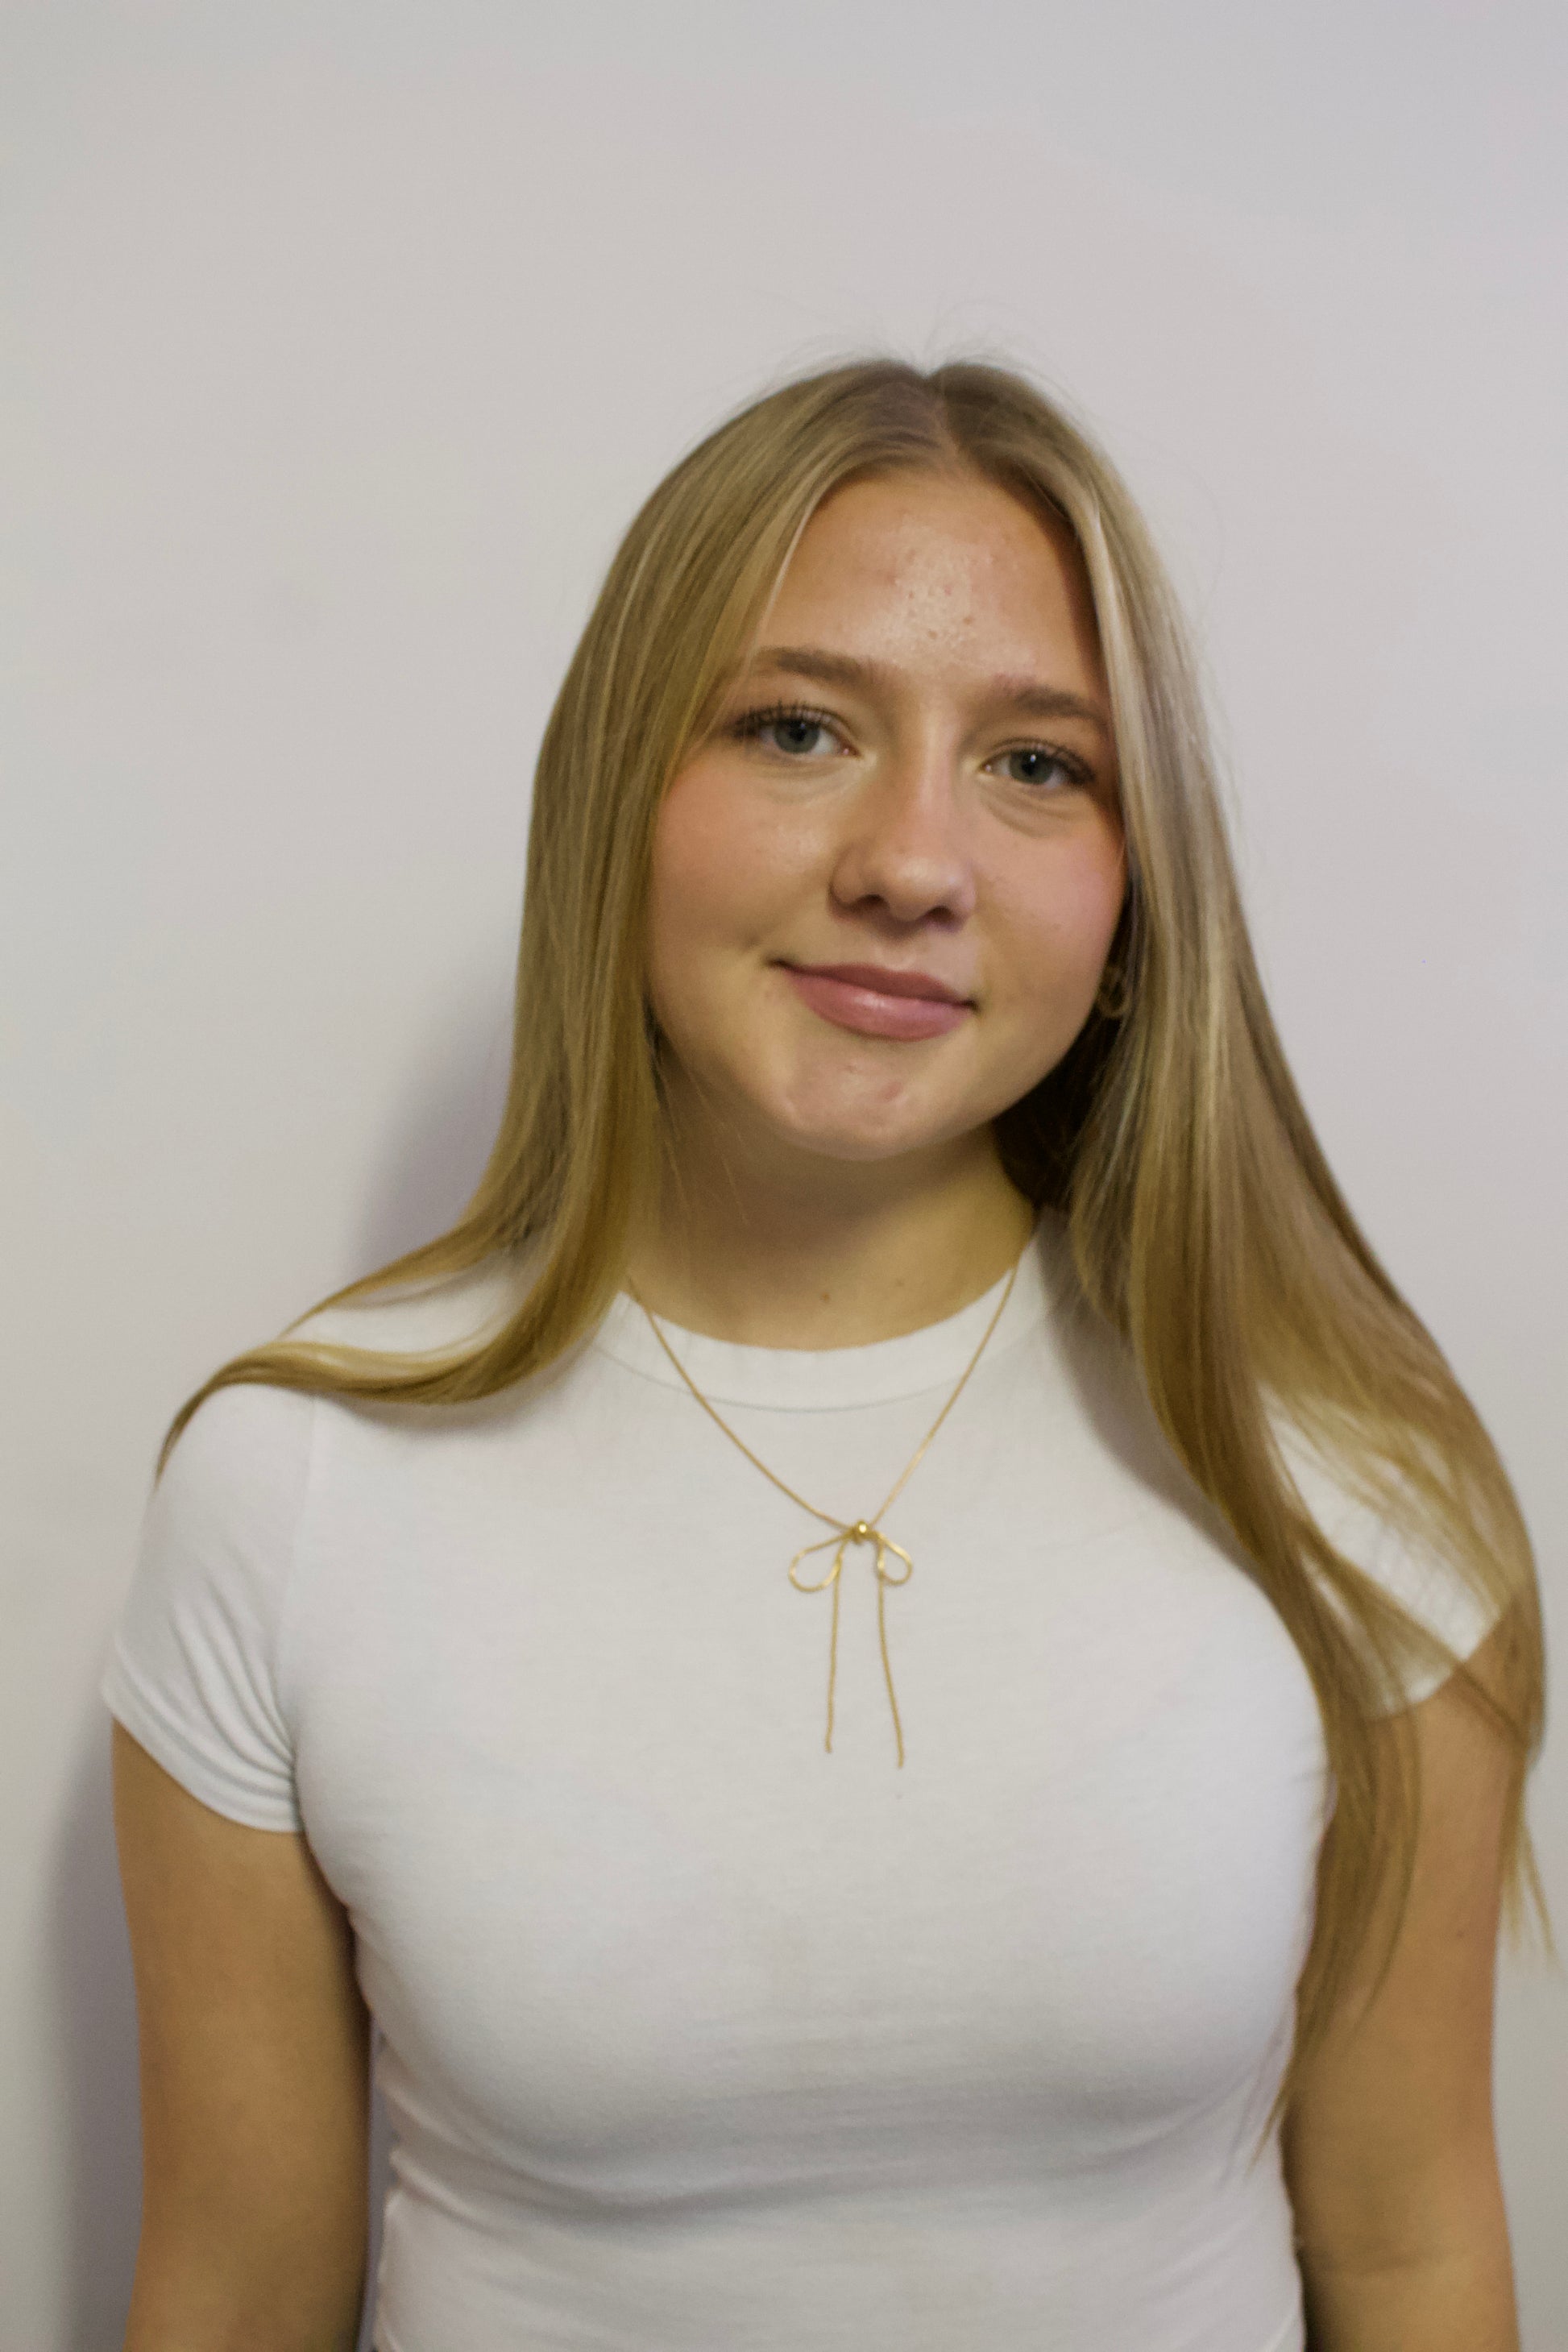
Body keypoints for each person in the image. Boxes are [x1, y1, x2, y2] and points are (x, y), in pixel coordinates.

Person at [106, 357, 1550, 2352]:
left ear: (1135, 899)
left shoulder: (1342, 1470)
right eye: (797, 727)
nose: (909, 861)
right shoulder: (293, 1486)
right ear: (621, 797)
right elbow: (239, 2289)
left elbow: (1406, 2253)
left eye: (1036, 764)